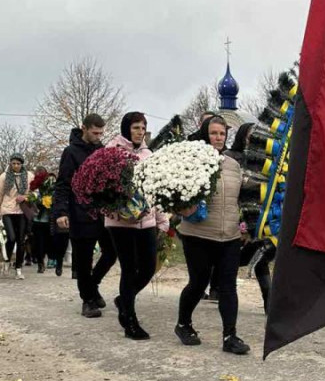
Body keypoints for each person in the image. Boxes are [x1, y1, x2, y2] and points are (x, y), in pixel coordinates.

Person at [175, 115, 250, 354]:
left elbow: (241, 200)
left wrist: (244, 227)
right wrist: (182, 207)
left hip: (228, 235)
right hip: (197, 235)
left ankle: (230, 336)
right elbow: (175, 194)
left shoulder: (233, 165)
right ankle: (183, 324)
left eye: (222, 134)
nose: (218, 138)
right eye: (214, 133)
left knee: (228, 286)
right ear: (205, 134)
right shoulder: (192, 161)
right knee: (198, 283)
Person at [104, 112, 170, 340]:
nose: (140, 132)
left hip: (147, 220)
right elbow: (102, 189)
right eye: (135, 128)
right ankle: (129, 321)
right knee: (129, 268)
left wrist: (161, 219)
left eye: (143, 128)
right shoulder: (112, 151)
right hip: (120, 222)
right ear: (126, 129)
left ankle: (124, 299)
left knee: (149, 267)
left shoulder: (148, 154)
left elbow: (155, 189)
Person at [52, 113, 117, 317]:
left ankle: (93, 285)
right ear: (84, 128)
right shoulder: (70, 152)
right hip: (79, 212)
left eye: (101, 132)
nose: (98, 136)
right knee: (83, 259)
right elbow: (62, 184)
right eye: (95, 132)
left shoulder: (102, 150)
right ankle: (87, 300)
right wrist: (61, 212)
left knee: (111, 252)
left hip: (101, 212)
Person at [0, 155, 34, 278]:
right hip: (7, 210)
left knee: (21, 240)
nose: (15, 166)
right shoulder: (4, 176)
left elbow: (35, 193)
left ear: (22, 164)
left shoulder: (29, 176)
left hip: (21, 210)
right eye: (13, 163)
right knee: (11, 238)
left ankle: (18, 268)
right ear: (10, 164)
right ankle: (6, 261)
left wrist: (25, 197)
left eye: (18, 164)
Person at [27, 167, 55, 273]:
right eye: (38, 173)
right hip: (37, 220)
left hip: (49, 219)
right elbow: (30, 199)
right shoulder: (34, 186)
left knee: (49, 242)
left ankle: (51, 259)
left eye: (41, 173)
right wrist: (36, 201)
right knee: (39, 243)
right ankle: (40, 263)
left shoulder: (51, 184)